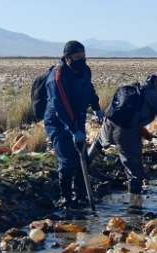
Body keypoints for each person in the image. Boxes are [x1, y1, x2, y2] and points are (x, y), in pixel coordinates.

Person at [87, 74, 157, 212]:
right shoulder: (154, 96)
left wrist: (140, 129)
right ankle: (135, 208)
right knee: (135, 171)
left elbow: (120, 113)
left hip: (108, 125)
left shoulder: (130, 89)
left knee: (99, 143)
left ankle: (83, 165)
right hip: (125, 132)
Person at [43, 40, 103, 208]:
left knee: (81, 156)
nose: (82, 61)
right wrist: (73, 130)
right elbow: (60, 105)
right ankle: (66, 198)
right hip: (58, 121)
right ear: (67, 58)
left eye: (84, 57)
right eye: (78, 58)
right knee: (67, 158)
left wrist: (97, 107)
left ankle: (81, 195)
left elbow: (89, 89)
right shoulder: (58, 76)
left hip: (78, 117)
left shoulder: (84, 70)